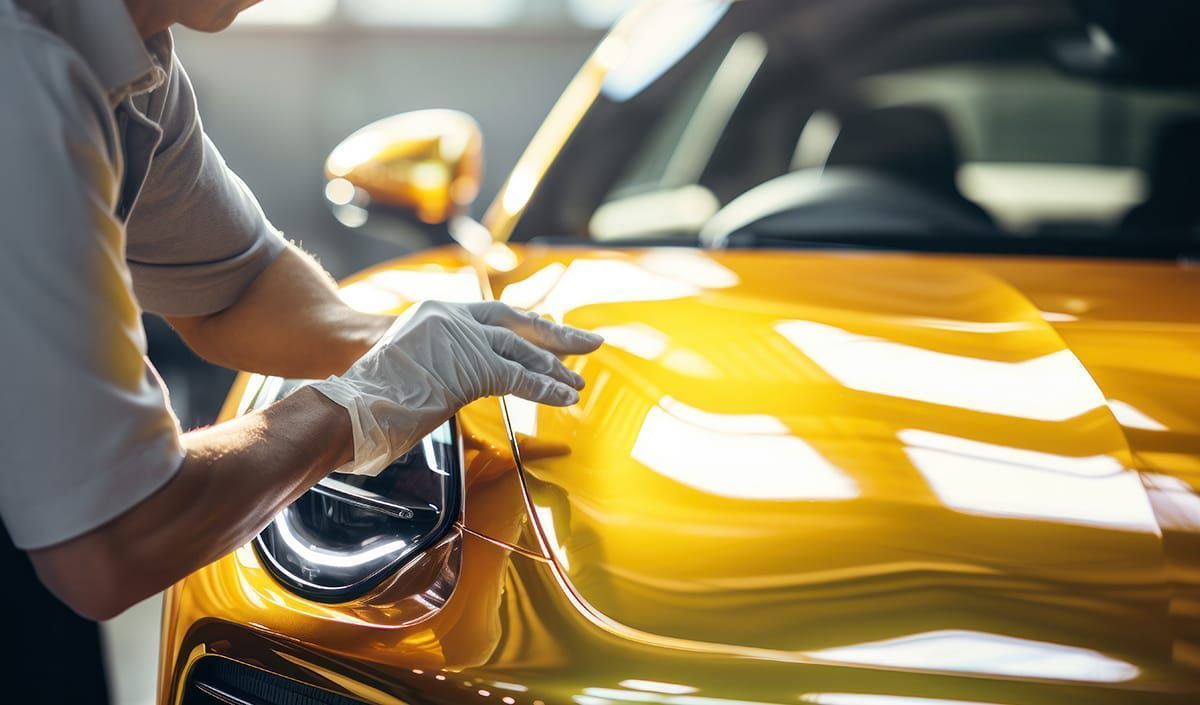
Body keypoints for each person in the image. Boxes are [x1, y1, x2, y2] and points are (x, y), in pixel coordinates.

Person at [0, 0, 601, 699]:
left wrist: (401, 348)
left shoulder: (129, 53)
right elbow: (111, 539)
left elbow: (236, 285)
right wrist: (356, 409)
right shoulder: (23, 73)